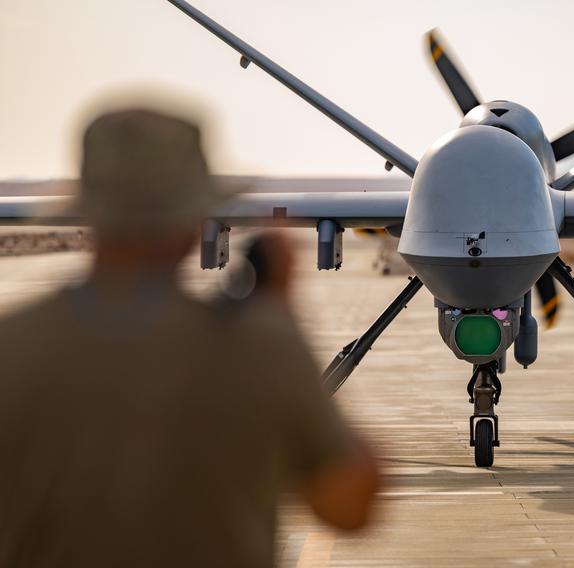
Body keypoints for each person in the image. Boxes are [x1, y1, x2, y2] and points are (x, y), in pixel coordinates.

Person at [0, 108, 379, 568]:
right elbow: (350, 505)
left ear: (88, 214)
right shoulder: (260, 350)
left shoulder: (12, 347)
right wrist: (283, 319)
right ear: (191, 221)